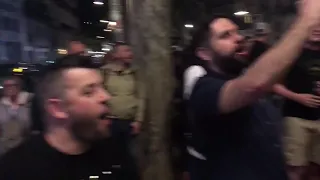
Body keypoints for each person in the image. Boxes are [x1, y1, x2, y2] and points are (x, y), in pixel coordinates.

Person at [187, 0, 320, 179]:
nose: (240, 38)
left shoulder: (240, 73)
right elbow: (254, 85)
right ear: (204, 53)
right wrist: (307, 20)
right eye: (225, 35)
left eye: (236, 32)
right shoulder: (204, 88)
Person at [0, 55, 135, 180]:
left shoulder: (116, 152)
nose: (106, 96)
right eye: (89, 92)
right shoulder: (15, 169)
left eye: (102, 87)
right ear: (57, 109)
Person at [273, 25, 320, 180]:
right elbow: (273, 84)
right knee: (296, 168)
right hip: (296, 118)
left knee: (316, 168)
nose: (317, 28)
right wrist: (297, 97)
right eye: (314, 23)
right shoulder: (292, 53)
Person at [101, 42, 145, 176]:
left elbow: (141, 97)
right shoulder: (104, 73)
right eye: (126, 51)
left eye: (130, 51)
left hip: (129, 122)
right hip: (110, 122)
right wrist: (102, 118)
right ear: (115, 54)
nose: (130, 54)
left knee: (129, 158)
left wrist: (138, 120)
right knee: (110, 157)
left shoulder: (135, 74)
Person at [0, 76, 30, 155]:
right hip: (4, 147)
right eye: (6, 86)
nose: (9, 88)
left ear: (19, 87)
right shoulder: (1, 106)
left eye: (12, 85)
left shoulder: (29, 103)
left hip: (25, 146)